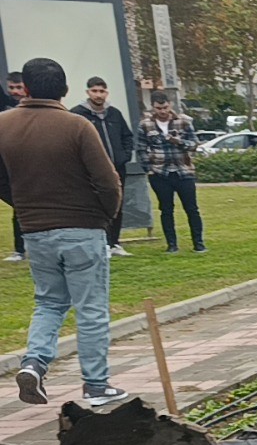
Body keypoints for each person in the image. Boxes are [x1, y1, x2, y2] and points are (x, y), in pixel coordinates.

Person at [0, 57, 128, 407]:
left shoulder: (4, 124)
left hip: (35, 229)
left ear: (24, 88)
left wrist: (22, 204)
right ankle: (96, 384)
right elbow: (107, 180)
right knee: (91, 309)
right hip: (83, 228)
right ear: (66, 90)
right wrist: (106, 214)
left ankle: (35, 362)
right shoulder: (77, 125)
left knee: (49, 301)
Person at [72, 76, 135, 256]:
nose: (98, 95)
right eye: (94, 91)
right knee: (95, 205)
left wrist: (124, 156)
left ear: (106, 93)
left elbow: (127, 136)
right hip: (92, 171)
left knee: (116, 203)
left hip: (117, 168)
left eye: (102, 91)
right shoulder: (78, 114)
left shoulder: (114, 113)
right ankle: (100, 243)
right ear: (88, 92)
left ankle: (114, 242)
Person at [140, 91, 205, 253]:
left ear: (170, 105)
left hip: (184, 171)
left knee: (192, 208)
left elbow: (194, 144)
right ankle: (172, 245)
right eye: (158, 108)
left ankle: (198, 243)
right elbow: (140, 148)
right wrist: (148, 169)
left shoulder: (183, 121)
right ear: (153, 107)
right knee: (166, 209)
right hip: (160, 173)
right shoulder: (145, 125)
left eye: (165, 107)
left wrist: (178, 141)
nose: (162, 111)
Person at [4, 72, 25, 263]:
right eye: (12, 88)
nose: (15, 92)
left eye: (19, 87)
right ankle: (20, 250)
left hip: (29, 164)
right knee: (19, 206)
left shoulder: (32, 106)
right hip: (6, 167)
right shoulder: (4, 107)